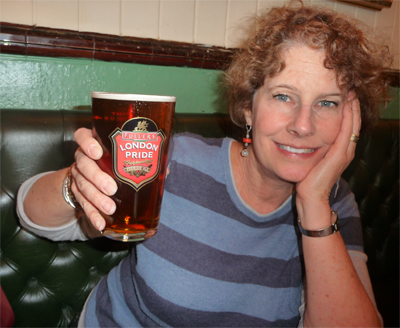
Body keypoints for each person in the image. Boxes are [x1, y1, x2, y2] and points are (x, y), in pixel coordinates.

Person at [17, 1, 392, 327]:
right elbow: (33, 214)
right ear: (248, 106)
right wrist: (76, 184)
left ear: (351, 120)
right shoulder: (177, 161)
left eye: (327, 103)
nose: (303, 125)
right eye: (283, 96)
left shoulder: (335, 204)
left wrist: (313, 204)